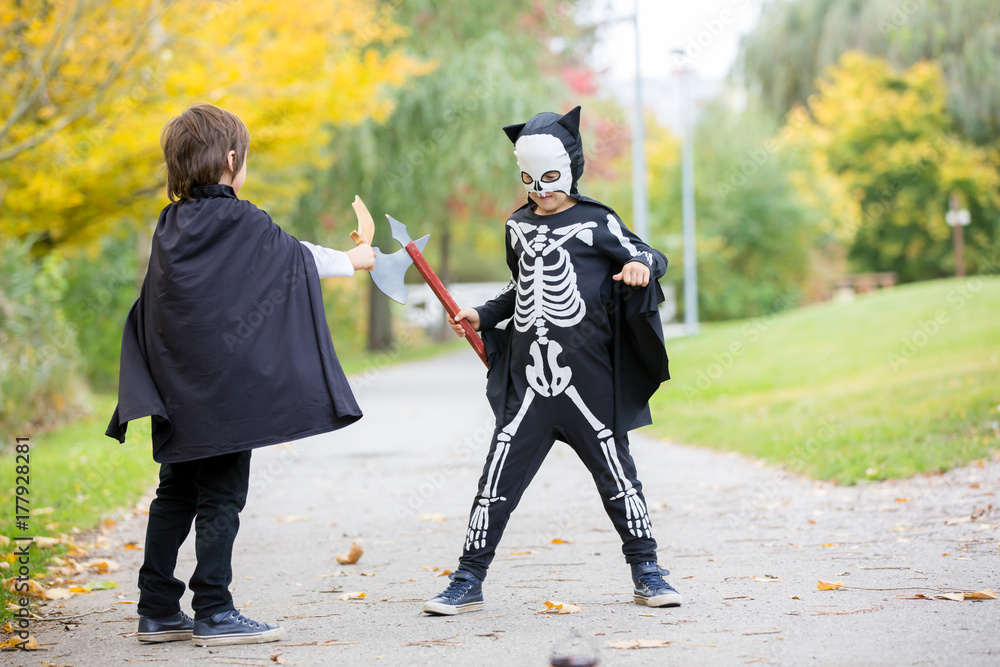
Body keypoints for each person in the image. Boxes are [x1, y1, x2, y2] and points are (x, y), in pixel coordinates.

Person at [106, 103, 375, 646]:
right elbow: (294, 258)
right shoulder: (242, 219)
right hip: (225, 399)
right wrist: (358, 258)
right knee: (221, 498)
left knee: (175, 494)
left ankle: (156, 608)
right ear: (232, 159)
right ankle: (214, 609)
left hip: (178, 392)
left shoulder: (170, 224)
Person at [423, 106, 678, 615]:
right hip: (528, 385)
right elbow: (520, 291)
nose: (541, 189)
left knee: (617, 475)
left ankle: (648, 571)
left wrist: (636, 267)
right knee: (497, 479)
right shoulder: (516, 226)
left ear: (571, 169)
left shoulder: (596, 220)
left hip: (588, 380)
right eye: (530, 180)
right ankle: (467, 578)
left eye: (552, 178)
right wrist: (480, 314)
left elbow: (652, 255)